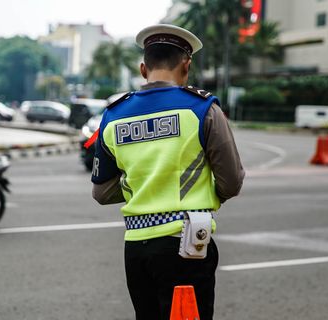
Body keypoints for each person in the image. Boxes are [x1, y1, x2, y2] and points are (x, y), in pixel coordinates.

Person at [91, 24, 245, 320]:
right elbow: (232, 181)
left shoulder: (113, 115)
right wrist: (203, 192)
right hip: (186, 244)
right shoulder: (202, 109)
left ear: (143, 68)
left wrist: (143, 183)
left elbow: (101, 192)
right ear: (186, 65)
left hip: (135, 248)